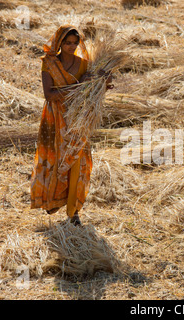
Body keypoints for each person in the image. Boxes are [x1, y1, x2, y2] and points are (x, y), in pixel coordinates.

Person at [30, 25, 111, 226]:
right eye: (67, 43)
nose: (72, 46)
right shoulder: (48, 64)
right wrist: (79, 85)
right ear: (59, 43)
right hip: (54, 119)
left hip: (77, 119)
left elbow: (91, 90)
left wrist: (102, 83)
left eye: (75, 43)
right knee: (54, 159)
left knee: (77, 162)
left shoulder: (84, 65)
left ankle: (74, 212)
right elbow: (49, 95)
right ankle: (53, 200)